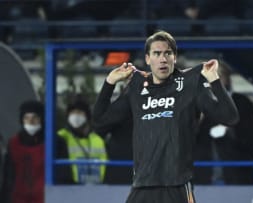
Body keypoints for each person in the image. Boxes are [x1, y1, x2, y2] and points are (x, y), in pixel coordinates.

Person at [93, 30, 239, 203]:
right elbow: (100, 120)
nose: (163, 59)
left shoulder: (191, 85)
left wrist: (214, 81)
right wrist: (109, 82)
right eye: (157, 53)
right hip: (142, 186)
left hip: (177, 186)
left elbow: (230, 117)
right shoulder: (137, 89)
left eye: (167, 53)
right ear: (148, 59)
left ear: (174, 57)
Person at [194, 60, 253, 185]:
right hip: (205, 175)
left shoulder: (242, 103)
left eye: (217, 76)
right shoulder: (200, 103)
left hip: (236, 173)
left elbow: (251, 135)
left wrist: (229, 131)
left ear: (227, 79)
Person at [0, 100, 45, 203]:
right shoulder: (13, 143)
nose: (30, 122)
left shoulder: (53, 142)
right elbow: (9, 177)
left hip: (44, 198)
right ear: (22, 120)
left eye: (35, 118)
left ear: (41, 119)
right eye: (26, 118)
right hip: (18, 198)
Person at [56, 98, 108, 184]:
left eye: (79, 112)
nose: (75, 116)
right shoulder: (62, 136)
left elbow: (105, 164)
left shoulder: (98, 140)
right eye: (72, 113)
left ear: (86, 116)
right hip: (70, 187)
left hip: (97, 187)